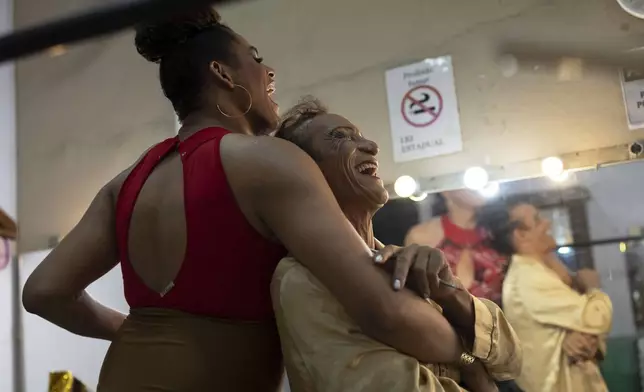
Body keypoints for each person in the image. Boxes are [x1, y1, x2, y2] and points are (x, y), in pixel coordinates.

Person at [21, 8, 499, 392]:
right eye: (254, 58)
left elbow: (44, 292)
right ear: (223, 74)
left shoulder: (125, 183)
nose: (269, 71)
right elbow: (383, 310)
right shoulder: (267, 161)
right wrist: (467, 354)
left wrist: (130, 330)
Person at [272, 97, 522, 392]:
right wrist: (471, 367)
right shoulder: (301, 279)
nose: (371, 146)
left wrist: (450, 294)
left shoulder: (399, 263)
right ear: (309, 176)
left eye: (360, 135)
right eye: (339, 138)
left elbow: (511, 360)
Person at [478, 201, 612, 392]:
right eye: (538, 220)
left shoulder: (540, 270)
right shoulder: (529, 277)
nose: (547, 223)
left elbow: (584, 330)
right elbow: (595, 317)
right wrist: (593, 288)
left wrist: (584, 338)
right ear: (521, 235)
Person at [405, 191, 506, 304]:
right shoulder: (421, 236)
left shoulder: (501, 233)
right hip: (438, 318)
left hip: (497, 318)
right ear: (445, 191)